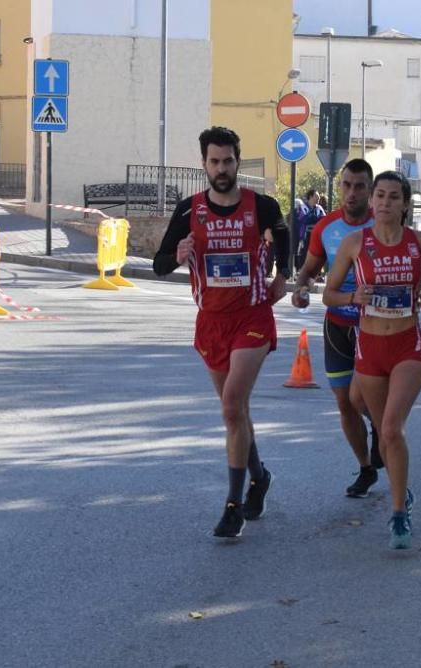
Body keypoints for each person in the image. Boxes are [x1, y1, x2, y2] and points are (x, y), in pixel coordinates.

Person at [154, 127, 290, 539]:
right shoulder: (188, 210)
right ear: (204, 164)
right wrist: (177, 255)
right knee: (238, 414)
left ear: (237, 161)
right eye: (214, 162)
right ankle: (259, 476)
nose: (221, 169)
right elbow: (160, 264)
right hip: (211, 322)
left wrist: (283, 273)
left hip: (252, 317)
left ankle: (233, 507)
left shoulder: (260, 205)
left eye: (228, 161)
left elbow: (283, 234)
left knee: (232, 407)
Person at [323, 171, 421, 549]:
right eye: (380, 195)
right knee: (383, 433)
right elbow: (328, 294)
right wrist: (352, 298)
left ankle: (398, 515)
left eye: (394, 197)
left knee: (391, 429)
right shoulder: (354, 243)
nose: (384, 203)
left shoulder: (419, 242)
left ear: (405, 204)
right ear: (372, 201)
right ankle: (401, 491)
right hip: (370, 348)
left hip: (408, 345)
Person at [292, 159, 384, 498]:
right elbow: (309, 270)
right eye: (346, 185)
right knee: (344, 401)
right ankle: (365, 468)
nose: (351, 192)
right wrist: (301, 291)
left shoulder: (383, 224)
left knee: (363, 396)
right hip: (337, 324)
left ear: (371, 190)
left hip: (375, 326)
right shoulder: (325, 227)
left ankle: (380, 425)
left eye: (359, 186)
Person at [294, 188, 325, 272]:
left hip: (317, 235)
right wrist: (315, 218)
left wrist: (312, 218)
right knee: (304, 253)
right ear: (311, 197)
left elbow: (324, 220)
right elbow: (303, 220)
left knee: (317, 254)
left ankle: (316, 272)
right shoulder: (302, 207)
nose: (318, 198)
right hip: (305, 235)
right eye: (316, 196)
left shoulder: (319, 208)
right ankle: (301, 271)